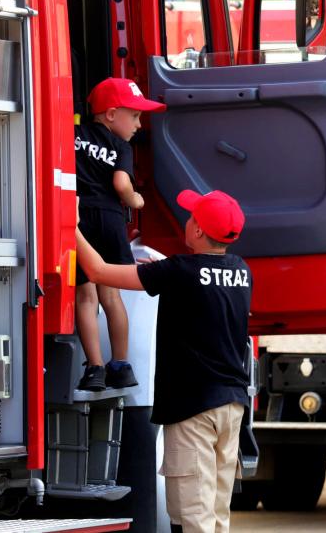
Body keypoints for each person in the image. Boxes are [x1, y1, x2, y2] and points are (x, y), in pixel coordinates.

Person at [76, 189, 252, 533]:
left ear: (198, 230)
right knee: (216, 514)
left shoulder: (178, 271)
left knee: (193, 518)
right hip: (231, 405)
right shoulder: (241, 270)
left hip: (193, 409)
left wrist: (70, 226)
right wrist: (162, 273)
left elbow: (96, 272)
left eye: (191, 217)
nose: (187, 221)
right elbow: (204, 283)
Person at [74, 77, 166, 391]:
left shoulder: (74, 135)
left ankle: (95, 368)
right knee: (111, 296)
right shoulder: (121, 146)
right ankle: (121, 365)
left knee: (85, 296)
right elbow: (121, 184)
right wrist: (136, 200)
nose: (139, 124)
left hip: (79, 220)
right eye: (135, 116)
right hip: (110, 221)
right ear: (111, 114)